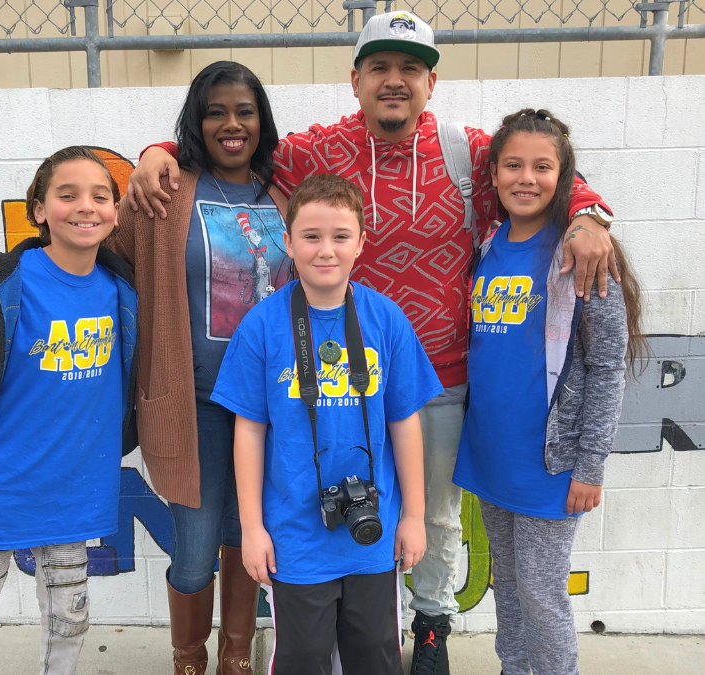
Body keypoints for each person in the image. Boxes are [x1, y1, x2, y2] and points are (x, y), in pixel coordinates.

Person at [126, 13, 616, 673]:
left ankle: (432, 626)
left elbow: (533, 167)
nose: (394, 81)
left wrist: (586, 213)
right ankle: (318, 634)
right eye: (380, 68)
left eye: (409, 68)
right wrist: (159, 148)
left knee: (430, 518)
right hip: (322, 373)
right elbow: (231, 145)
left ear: (430, 81)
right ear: (355, 80)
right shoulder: (315, 151)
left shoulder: (465, 149)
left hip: (435, 375)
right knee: (315, 496)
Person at [0, 146, 138, 675]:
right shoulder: (4, 286)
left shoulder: (121, 287)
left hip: (76, 489)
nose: (86, 207)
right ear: (38, 210)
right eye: (67, 195)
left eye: (100, 196)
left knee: (70, 619)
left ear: (114, 210)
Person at [211, 174, 444, 675]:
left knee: (375, 657)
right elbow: (248, 432)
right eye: (311, 236)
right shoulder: (262, 325)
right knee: (304, 658)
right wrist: (252, 528)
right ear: (288, 241)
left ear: (361, 241)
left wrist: (414, 516)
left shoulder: (386, 319)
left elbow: (405, 423)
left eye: (340, 236)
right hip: (296, 533)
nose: (325, 250)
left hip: (373, 530)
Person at [109, 61, 289, 675]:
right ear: (196, 119)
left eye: (244, 111)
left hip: (273, 407)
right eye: (216, 111)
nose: (231, 124)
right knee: (194, 547)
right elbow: (106, 257)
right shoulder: (167, 188)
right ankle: (190, 658)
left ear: (261, 120)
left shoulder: (287, 190)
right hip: (195, 403)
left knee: (248, 540)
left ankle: (236, 656)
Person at [452, 109, 645, 675]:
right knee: (507, 589)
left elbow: (608, 367)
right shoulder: (486, 246)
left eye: (542, 166)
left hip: (552, 465)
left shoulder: (582, 252)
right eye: (513, 165)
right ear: (492, 174)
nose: (526, 178)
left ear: (564, 177)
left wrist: (590, 465)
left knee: (542, 594)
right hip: (492, 456)